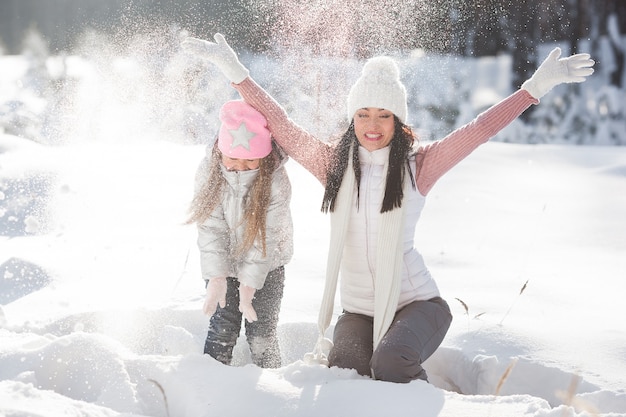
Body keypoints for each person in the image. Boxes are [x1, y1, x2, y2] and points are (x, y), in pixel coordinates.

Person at [182, 34, 594, 383]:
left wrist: (532, 91)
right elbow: (282, 124)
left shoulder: (420, 166)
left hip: (418, 305)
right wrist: (237, 73)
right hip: (359, 310)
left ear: (399, 121)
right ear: (352, 119)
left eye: (383, 114)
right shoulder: (334, 168)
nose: (372, 123)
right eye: (362, 113)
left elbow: (478, 131)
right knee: (346, 370)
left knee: (391, 363)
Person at [187, 99, 293, 368]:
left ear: (265, 155)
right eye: (232, 158)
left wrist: (250, 284)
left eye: (249, 161)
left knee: (262, 334)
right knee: (223, 326)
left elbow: (266, 237)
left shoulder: (275, 180)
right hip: (225, 266)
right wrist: (216, 276)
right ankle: (212, 383)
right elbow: (210, 228)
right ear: (221, 150)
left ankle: (271, 386)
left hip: (268, 268)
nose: (239, 166)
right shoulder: (209, 172)